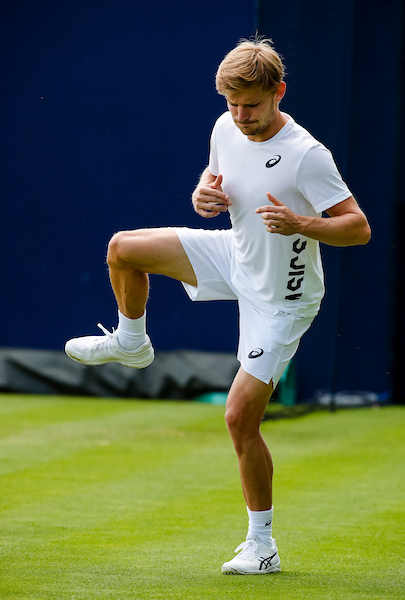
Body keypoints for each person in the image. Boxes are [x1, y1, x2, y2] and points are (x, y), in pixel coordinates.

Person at [65, 36, 371, 575]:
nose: (240, 115)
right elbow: (215, 178)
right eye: (231, 104)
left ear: (278, 92)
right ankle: (131, 343)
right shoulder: (225, 125)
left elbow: (358, 228)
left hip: (283, 298)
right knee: (122, 248)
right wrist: (202, 194)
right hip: (237, 255)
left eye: (250, 104)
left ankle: (263, 546)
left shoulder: (306, 155)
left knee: (238, 418)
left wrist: (303, 224)